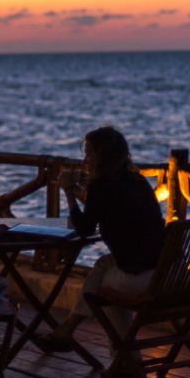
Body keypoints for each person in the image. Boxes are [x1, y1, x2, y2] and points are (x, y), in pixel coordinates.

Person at [35, 126, 165, 354]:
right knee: (103, 265)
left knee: (101, 289)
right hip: (167, 274)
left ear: (102, 157)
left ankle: (119, 353)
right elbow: (108, 208)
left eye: (89, 154)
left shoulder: (101, 188)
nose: (85, 160)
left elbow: (85, 229)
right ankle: (72, 331)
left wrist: (68, 191)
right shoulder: (138, 181)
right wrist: (83, 188)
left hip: (140, 278)